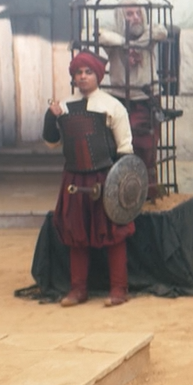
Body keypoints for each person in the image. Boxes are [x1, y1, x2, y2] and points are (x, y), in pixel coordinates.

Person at [41, 51, 135, 307]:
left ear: (98, 76)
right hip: (74, 177)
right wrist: (51, 116)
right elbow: (51, 142)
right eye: (78, 73)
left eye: (88, 72)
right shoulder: (64, 106)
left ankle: (119, 289)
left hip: (105, 177)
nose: (82, 77)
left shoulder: (112, 106)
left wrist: (118, 183)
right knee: (76, 232)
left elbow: (125, 147)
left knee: (113, 233)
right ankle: (78, 289)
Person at [98, 3, 168, 199]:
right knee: (120, 147)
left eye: (139, 13)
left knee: (146, 147)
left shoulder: (148, 36)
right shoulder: (113, 40)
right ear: (120, 17)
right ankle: (122, 194)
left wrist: (136, 45)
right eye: (129, 14)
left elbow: (161, 31)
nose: (136, 18)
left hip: (146, 99)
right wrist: (124, 44)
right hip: (120, 99)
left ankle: (147, 192)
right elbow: (95, 34)